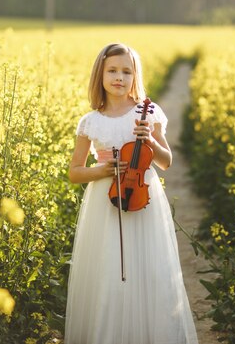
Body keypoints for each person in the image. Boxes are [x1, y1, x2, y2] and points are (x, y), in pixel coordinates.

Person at [65, 43, 198, 344]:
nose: (119, 78)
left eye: (127, 72)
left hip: (143, 201)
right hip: (104, 201)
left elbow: (166, 161)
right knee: (107, 272)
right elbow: (75, 172)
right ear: (100, 75)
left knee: (146, 271)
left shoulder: (146, 114)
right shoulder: (90, 121)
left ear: (135, 77)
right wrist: (100, 171)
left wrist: (149, 139)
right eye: (112, 70)